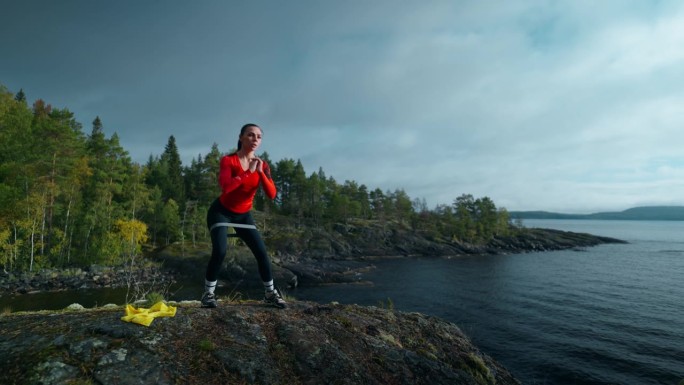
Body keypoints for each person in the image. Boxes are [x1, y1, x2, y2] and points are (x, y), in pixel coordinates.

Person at [201, 123, 286, 309]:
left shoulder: (263, 164)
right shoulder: (228, 160)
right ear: (241, 138)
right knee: (221, 251)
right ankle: (208, 294)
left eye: (258, 136)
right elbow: (227, 187)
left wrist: (261, 172)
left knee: (262, 254)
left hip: (243, 215)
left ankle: (270, 294)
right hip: (221, 212)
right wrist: (248, 173)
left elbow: (272, 194)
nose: (255, 139)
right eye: (250, 135)